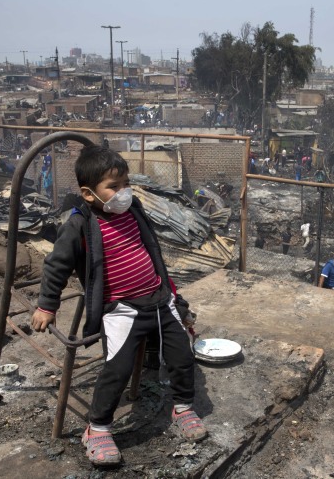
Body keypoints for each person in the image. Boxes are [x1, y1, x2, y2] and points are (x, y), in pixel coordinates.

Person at [31, 145, 206, 465]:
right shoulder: (79, 223)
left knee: (182, 355)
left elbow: (151, 249)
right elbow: (56, 264)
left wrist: (172, 294)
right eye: (114, 187)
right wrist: (47, 305)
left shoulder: (133, 208)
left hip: (158, 299)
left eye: (125, 184)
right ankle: (97, 429)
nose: (123, 192)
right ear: (88, 194)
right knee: (118, 369)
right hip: (122, 308)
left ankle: (183, 408)